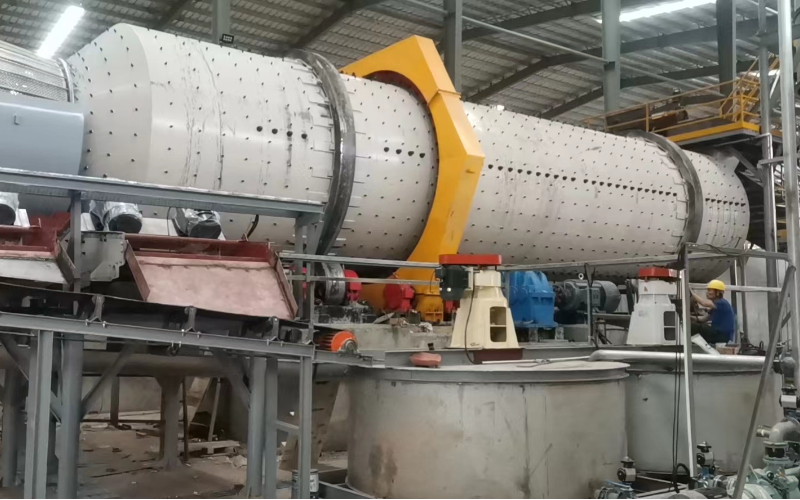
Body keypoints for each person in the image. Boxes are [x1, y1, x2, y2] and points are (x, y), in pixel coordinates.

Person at [690, 279, 735, 344]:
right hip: (717, 334)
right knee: (695, 326)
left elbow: (703, 303)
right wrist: (689, 317)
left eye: (710, 290)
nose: (708, 292)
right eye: (708, 290)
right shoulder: (715, 306)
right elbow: (703, 319)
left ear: (718, 292)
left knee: (693, 328)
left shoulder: (722, 303)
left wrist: (691, 292)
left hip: (721, 335)